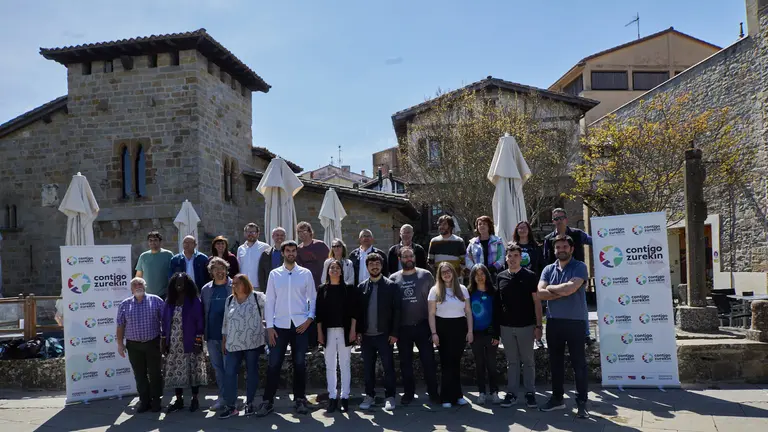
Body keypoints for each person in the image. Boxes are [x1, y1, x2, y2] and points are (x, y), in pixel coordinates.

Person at [256, 240, 317, 417]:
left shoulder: (305, 273)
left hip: (300, 325)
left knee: (299, 364)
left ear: (296, 253)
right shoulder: (275, 274)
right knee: (273, 364)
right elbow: (270, 301)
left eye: (293, 250)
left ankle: (300, 399)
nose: (290, 253)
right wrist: (269, 326)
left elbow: (312, 298)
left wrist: (309, 319)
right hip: (279, 326)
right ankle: (268, 401)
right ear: (282, 253)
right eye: (287, 251)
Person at [537, 234, 590, 419]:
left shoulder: (580, 267)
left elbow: (569, 289)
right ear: (554, 250)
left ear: (572, 248)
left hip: (575, 322)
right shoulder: (548, 269)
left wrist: (552, 288)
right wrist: (563, 289)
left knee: (579, 365)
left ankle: (582, 402)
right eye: (558, 247)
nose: (561, 250)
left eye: (564, 246)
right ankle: (557, 399)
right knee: (555, 363)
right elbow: (540, 294)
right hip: (553, 322)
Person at [388, 246, 439, 405]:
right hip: (403, 328)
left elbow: (435, 301)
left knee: (428, 361)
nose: (408, 259)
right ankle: (409, 393)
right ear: (399, 259)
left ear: (415, 257)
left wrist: (435, 328)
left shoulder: (426, 275)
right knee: (405, 362)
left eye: (411, 256)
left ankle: (433, 392)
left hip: (423, 325)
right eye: (405, 257)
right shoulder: (394, 278)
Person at [495, 243, 542, 409]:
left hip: (526, 326)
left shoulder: (530, 276)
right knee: (511, 362)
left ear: (520, 258)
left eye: (516, 256)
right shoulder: (500, 277)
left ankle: (530, 393)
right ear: (506, 258)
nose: (512, 259)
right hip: (506, 327)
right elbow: (498, 304)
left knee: (528, 361)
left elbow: (537, 302)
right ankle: (512, 393)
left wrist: (539, 325)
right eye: (510, 256)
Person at [542, 208, 593, 346]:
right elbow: (546, 258)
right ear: (553, 221)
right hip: (556, 275)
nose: (558, 221)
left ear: (566, 219)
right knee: (555, 305)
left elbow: (594, 241)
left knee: (581, 304)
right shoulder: (548, 239)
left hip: (576, 275)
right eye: (555, 219)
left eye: (561, 218)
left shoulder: (578, 234)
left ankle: (585, 334)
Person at [219, 274, 267, 419]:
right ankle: (231, 406)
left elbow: (270, 312)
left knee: (251, 372)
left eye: (238, 283)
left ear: (246, 284)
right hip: (233, 343)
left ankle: (250, 403)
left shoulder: (258, 297)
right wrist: (224, 340)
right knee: (230, 373)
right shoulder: (229, 300)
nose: (234, 286)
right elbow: (225, 323)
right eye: (233, 284)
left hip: (252, 343)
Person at [357, 253, 400, 412]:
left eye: (377, 264)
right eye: (371, 264)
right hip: (367, 336)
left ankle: (390, 397)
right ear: (367, 267)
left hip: (385, 335)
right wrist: (358, 332)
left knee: (388, 368)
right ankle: (369, 395)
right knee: (368, 368)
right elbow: (359, 312)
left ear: (382, 266)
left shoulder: (391, 286)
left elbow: (397, 312)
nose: (374, 266)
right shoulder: (361, 287)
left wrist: (394, 333)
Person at [316, 260, 359, 414]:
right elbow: (319, 313)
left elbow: (354, 312)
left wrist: (353, 330)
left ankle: (345, 397)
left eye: (337, 268)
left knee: (345, 364)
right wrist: (319, 332)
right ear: (328, 271)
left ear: (341, 272)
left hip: (344, 331)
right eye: (331, 268)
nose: (334, 270)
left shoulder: (348, 289)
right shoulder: (322, 289)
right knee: (330, 365)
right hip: (328, 331)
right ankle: (333, 397)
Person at [428, 262, 473, 408]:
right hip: (442, 328)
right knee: (446, 363)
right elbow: (431, 314)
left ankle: (458, 395)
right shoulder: (434, 291)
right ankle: (446, 397)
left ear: (453, 272)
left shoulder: (463, 289)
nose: (446, 274)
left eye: (449, 271)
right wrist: (434, 333)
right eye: (443, 272)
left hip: (459, 328)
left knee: (455, 363)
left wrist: (470, 331)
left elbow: (468, 312)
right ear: (440, 275)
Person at [116, 277, 164, 413]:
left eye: (141, 284)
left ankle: (156, 401)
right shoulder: (125, 304)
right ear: (131, 289)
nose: (138, 286)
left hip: (153, 343)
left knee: (155, 373)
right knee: (139, 374)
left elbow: (166, 321)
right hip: (133, 346)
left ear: (145, 286)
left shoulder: (156, 300)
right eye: (135, 285)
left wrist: (165, 340)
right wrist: (120, 344)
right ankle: (144, 401)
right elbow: (120, 325)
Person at [161, 273, 206, 413]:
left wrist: (198, 342)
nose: (179, 285)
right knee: (175, 370)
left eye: (182, 283)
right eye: (177, 283)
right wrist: (164, 341)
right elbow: (164, 322)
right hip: (174, 343)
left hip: (190, 342)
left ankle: (194, 399)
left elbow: (200, 322)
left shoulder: (194, 301)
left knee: (193, 371)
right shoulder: (169, 301)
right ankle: (179, 400)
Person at [467, 264, 502, 406]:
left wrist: (496, 334)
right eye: (477, 274)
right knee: (479, 364)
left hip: (490, 333)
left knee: (491, 364)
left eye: (482, 274)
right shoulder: (469, 293)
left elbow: (498, 314)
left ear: (487, 275)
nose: (480, 277)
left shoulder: (494, 292)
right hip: (475, 333)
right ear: (473, 277)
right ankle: (481, 392)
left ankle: (494, 392)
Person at [200, 257, 231, 411]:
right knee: (218, 369)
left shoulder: (234, 286)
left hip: (231, 336)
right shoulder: (205, 289)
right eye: (215, 269)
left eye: (222, 268)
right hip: (212, 336)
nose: (219, 271)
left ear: (226, 270)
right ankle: (223, 397)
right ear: (211, 272)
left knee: (229, 368)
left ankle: (230, 399)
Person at [465, 216, 505, 280]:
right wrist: (475, 268)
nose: (482, 226)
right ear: (477, 227)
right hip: (478, 275)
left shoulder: (498, 241)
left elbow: (502, 257)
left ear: (489, 226)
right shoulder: (472, 243)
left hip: (495, 274)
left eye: (484, 224)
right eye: (479, 224)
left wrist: (494, 267)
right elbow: (467, 259)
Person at [135, 231, 174, 298]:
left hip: (164, 295)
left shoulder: (168, 255)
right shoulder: (143, 256)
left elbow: (174, 273)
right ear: (148, 242)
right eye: (150, 240)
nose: (153, 242)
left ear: (160, 242)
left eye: (155, 240)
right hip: (147, 296)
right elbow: (138, 276)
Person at [296, 221, 331, 289]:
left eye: (304, 231)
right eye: (299, 232)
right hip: (306, 284)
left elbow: (330, 261)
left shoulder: (320, 245)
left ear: (310, 232)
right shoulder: (298, 250)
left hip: (322, 283)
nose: (302, 234)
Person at [237, 223, 270, 292]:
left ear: (258, 234)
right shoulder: (240, 249)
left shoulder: (265, 247)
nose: (251, 234)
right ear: (245, 233)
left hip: (258, 286)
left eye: (253, 232)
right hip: (244, 285)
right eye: (248, 232)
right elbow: (239, 266)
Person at [257, 227, 286, 291]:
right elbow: (261, 273)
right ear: (273, 236)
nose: (279, 237)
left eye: (282, 235)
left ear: (285, 237)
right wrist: (264, 289)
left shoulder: (290, 253)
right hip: (270, 287)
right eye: (277, 235)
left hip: (285, 287)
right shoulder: (266, 254)